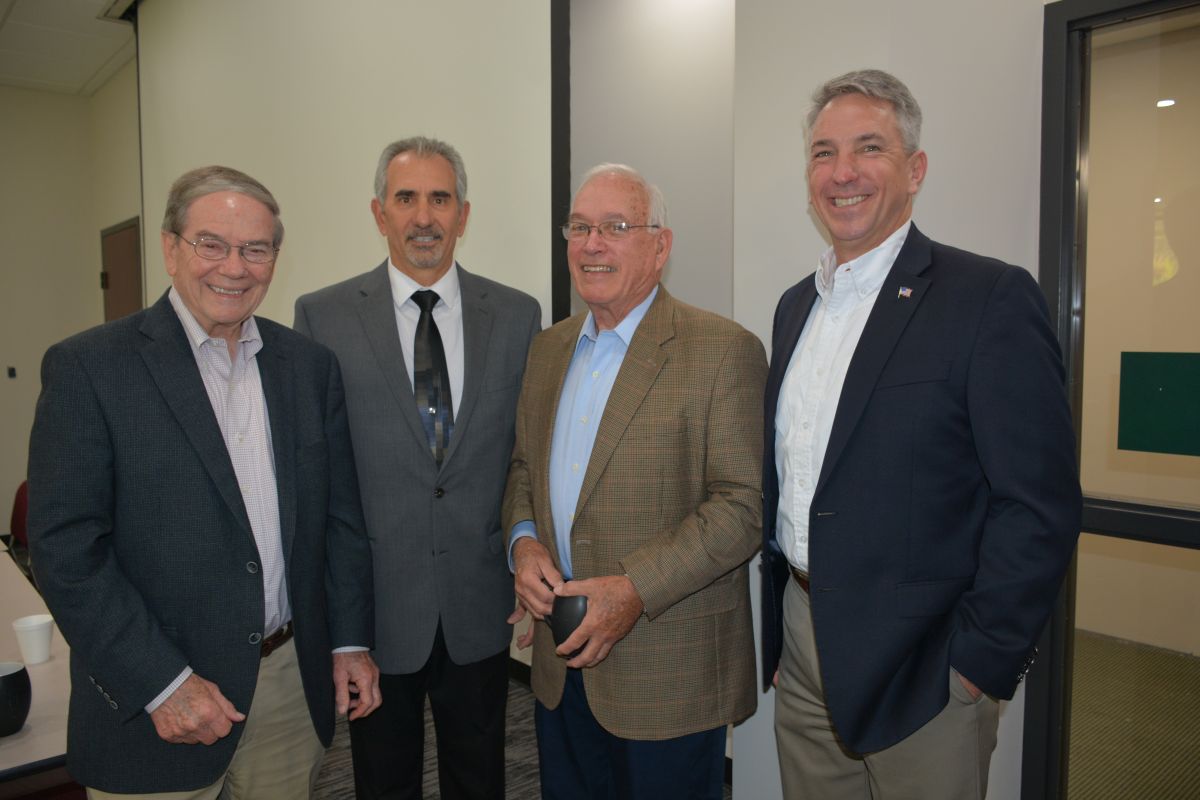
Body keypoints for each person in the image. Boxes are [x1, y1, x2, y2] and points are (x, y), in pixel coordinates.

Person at [760, 69, 1082, 799]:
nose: (842, 172)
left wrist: (979, 663)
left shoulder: (987, 298)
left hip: (928, 666)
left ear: (915, 170)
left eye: (868, 148)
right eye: (823, 153)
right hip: (806, 644)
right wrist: (784, 632)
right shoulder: (794, 308)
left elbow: (1039, 503)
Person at [27, 165, 380, 798]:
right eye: (211, 244)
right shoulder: (90, 367)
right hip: (153, 700)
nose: (234, 267)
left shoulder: (308, 367)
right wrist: (162, 683)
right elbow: (67, 552)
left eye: (255, 249)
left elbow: (339, 521)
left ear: (275, 259)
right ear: (170, 248)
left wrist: (348, 642)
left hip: (285, 687)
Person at [504, 163, 766, 799]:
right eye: (580, 227)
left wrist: (634, 588)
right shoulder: (548, 349)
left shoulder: (720, 349)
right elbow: (523, 469)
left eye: (616, 227)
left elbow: (742, 507)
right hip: (561, 666)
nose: (592, 244)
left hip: (668, 672)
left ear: (660, 245)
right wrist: (523, 541)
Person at [294, 136, 540, 800]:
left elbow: (526, 453)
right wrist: (337, 618)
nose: (424, 217)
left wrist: (527, 550)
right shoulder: (322, 318)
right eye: (406, 198)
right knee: (383, 782)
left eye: (440, 199)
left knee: (480, 778)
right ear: (380, 213)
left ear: (464, 214)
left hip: (479, 602)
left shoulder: (517, 316)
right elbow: (320, 482)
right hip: (376, 610)